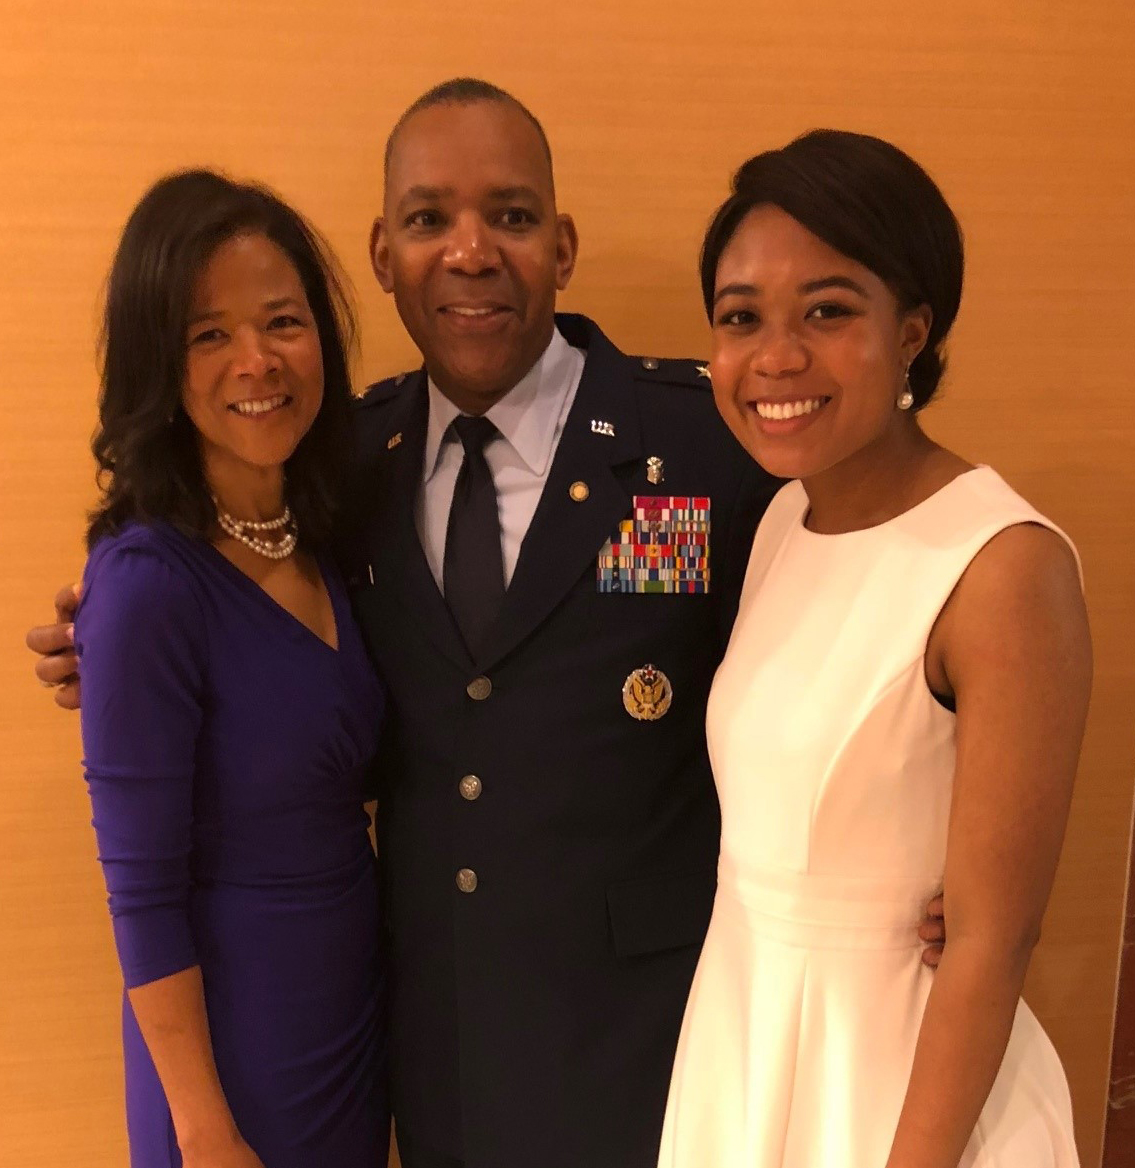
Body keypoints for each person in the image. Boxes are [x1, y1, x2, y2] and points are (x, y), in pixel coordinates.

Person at [27, 82, 946, 1168]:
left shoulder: (702, 438)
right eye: (428, 220)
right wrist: (120, 634)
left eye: (510, 216)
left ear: (560, 245)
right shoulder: (344, 465)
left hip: (651, 1037)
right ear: (381, 251)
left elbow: (859, 613)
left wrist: (912, 857)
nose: (469, 252)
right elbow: (249, 624)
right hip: (425, 1040)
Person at [657, 129, 1092, 1168]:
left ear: (912, 329)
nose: (775, 358)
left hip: (900, 1081)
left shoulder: (1001, 565)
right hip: (746, 1029)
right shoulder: (778, 521)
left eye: (827, 310)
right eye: (740, 318)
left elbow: (991, 941)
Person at [72, 170, 388, 1168]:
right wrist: (204, 1128)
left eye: (282, 322)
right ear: (157, 363)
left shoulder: (328, 541)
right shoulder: (145, 586)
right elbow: (142, 894)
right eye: (209, 334)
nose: (257, 360)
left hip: (347, 1022)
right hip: (230, 1060)